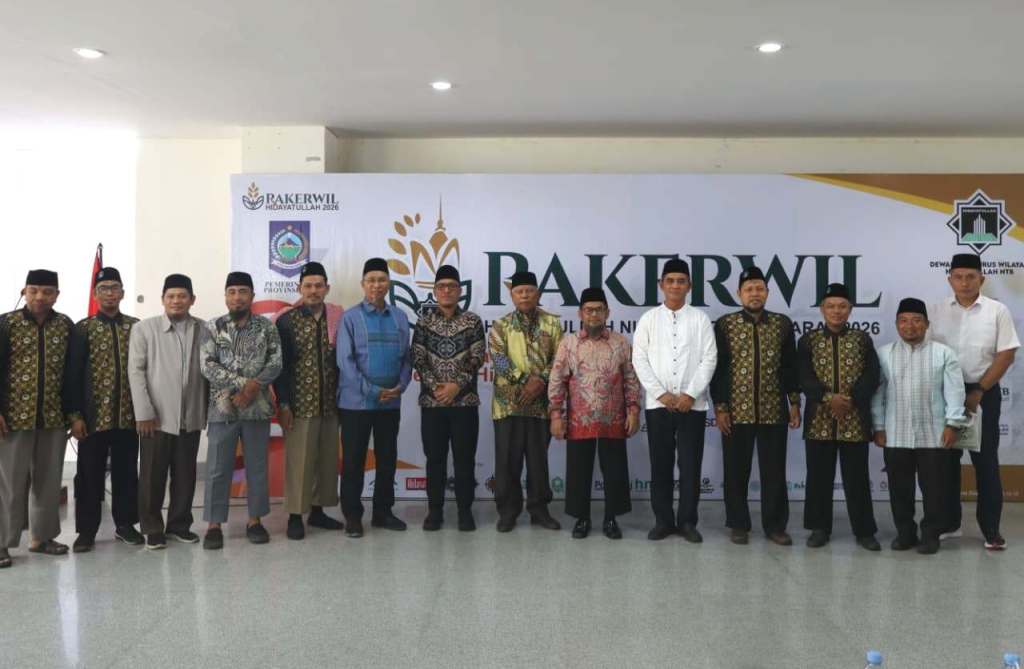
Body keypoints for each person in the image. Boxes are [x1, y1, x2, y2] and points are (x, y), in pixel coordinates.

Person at [929, 253, 1019, 550]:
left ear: (982, 278)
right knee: (946, 461)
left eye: (971, 276)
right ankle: (949, 523)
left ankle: (991, 529)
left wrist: (979, 390)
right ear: (950, 280)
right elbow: (928, 352)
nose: (965, 282)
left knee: (986, 462)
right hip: (945, 393)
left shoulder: (997, 311)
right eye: (958, 277)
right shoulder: (936, 311)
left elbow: (1006, 354)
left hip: (984, 391)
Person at [711, 266, 800, 546]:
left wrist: (794, 403)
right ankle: (738, 524)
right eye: (749, 289)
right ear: (739, 293)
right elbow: (719, 370)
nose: (754, 293)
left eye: (759, 288)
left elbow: (790, 367)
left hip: (773, 410)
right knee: (736, 471)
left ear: (767, 293)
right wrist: (721, 407)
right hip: (736, 411)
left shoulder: (782, 324)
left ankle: (775, 525)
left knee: (774, 471)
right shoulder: (725, 324)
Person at [872, 298, 967, 555]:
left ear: (926, 324)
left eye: (916, 320)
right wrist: (878, 426)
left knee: (935, 490)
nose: (910, 326)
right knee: (899, 489)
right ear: (896, 324)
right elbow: (877, 394)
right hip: (896, 433)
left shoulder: (943, 353)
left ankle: (930, 535)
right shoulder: (883, 354)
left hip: (934, 434)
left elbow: (955, 392)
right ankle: (905, 534)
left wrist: (952, 424)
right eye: (903, 321)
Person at [632, 259, 717, 542]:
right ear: (661, 285)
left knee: (691, 466)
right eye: (670, 281)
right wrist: (662, 394)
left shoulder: (700, 319)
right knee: (661, 465)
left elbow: (709, 358)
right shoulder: (648, 319)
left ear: (689, 286)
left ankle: (688, 522)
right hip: (659, 406)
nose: (675, 286)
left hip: (692, 406)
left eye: (681, 281)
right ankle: (663, 521)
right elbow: (639, 359)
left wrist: (690, 394)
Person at [198, 272, 282, 549]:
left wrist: (254, 387)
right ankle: (214, 525)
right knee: (217, 468)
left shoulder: (267, 327)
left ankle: (254, 521)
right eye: (232, 291)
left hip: (257, 409)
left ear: (252, 296)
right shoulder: (212, 327)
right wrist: (243, 385)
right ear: (225, 296)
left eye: (243, 291)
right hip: (222, 408)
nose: (237, 297)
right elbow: (207, 365)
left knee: (257, 467)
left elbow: (276, 362)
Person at [550, 287, 641, 539]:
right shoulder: (569, 344)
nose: (593, 315)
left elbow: (631, 379)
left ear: (607, 313)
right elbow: (557, 380)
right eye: (589, 310)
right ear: (580, 313)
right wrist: (556, 415)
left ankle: (611, 518)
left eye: (599, 310)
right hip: (579, 420)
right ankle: (582, 518)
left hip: (614, 419)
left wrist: (634, 410)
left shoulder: (620, 343)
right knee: (578, 471)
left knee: (615, 471)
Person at [64, 267, 144, 552]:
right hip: (92, 418)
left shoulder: (136, 327)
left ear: (122, 293)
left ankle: (126, 525)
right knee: (89, 475)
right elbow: (72, 376)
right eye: (104, 288)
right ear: (95, 294)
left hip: (128, 416)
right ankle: (86, 531)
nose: (110, 293)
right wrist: (75, 416)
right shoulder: (82, 329)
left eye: (114, 288)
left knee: (126, 473)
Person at [797, 283, 881, 551]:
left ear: (850, 309)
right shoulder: (808, 340)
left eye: (842, 306)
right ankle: (819, 528)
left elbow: (872, 375)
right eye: (831, 306)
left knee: (857, 478)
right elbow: (803, 376)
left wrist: (851, 399)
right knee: (818, 477)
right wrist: (827, 398)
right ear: (822, 309)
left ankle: (864, 531)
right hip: (819, 420)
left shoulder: (861, 339)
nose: (837, 311)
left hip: (854, 419)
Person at [0, 270, 74, 568]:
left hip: (53, 417)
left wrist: (74, 414)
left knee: (48, 481)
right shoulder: (6, 323)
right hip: (13, 418)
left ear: (56, 295)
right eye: (34, 290)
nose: (40, 297)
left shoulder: (65, 325)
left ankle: (41, 538)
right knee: (9, 483)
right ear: (24, 291)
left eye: (47, 291)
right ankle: (2, 543)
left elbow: (72, 373)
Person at [128, 274, 208, 550]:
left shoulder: (204, 329)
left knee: (185, 474)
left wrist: (205, 411)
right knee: (152, 475)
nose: (176, 301)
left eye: (182, 296)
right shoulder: (144, 329)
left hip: (191, 414)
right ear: (162, 299)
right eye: (171, 296)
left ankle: (179, 525)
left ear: (192, 300)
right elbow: (136, 372)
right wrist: (143, 412)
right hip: (156, 418)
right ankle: (152, 528)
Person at [337, 258, 412, 537]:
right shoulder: (350, 318)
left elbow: (407, 359)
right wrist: (372, 391)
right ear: (363, 284)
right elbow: (345, 362)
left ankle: (383, 512)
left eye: (381, 280)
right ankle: (353, 516)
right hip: (356, 403)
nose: (376, 285)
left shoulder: (399, 317)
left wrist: (400, 385)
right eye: (371, 280)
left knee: (387, 459)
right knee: (353, 461)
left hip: (390, 402)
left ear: (388, 283)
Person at [411, 265, 486, 532]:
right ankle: (435, 511)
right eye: (441, 286)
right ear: (435, 291)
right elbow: (418, 358)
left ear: (459, 291)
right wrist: (437, 388)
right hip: (432, 404)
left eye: (452, 286)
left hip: (465, 403)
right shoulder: (424, 322)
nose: (446, 291)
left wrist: (456, 386)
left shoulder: (472, 321)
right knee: (435, 460)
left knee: (465, 459)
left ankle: (465, 511)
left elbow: (477, 357)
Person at [275, 261, 345, 540]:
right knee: (300, 462)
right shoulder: (286, 321)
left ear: (327, 288)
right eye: (308, 286)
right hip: (299, 405)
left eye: (318, 285)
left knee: (327, 460)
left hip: (330, 403)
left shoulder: (338, 318)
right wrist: (283, 404)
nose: (313, 290)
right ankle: (295, 515)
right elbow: (280, 367)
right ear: (299, 288)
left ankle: (318, 511)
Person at [489, 271, 563, 532]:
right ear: (512, 295)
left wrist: (540, 380)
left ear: (537, 294)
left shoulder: (552, 324)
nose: (524, 295)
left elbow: (560, 359)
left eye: (529, 291)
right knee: (507, 462)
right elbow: (498, 359)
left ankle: (539, 510)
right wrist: (524, 381)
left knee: (537, 462)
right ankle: (508, 512)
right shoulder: (501, 325)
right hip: (508, 405)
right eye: (519, 291)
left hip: (540, 405)